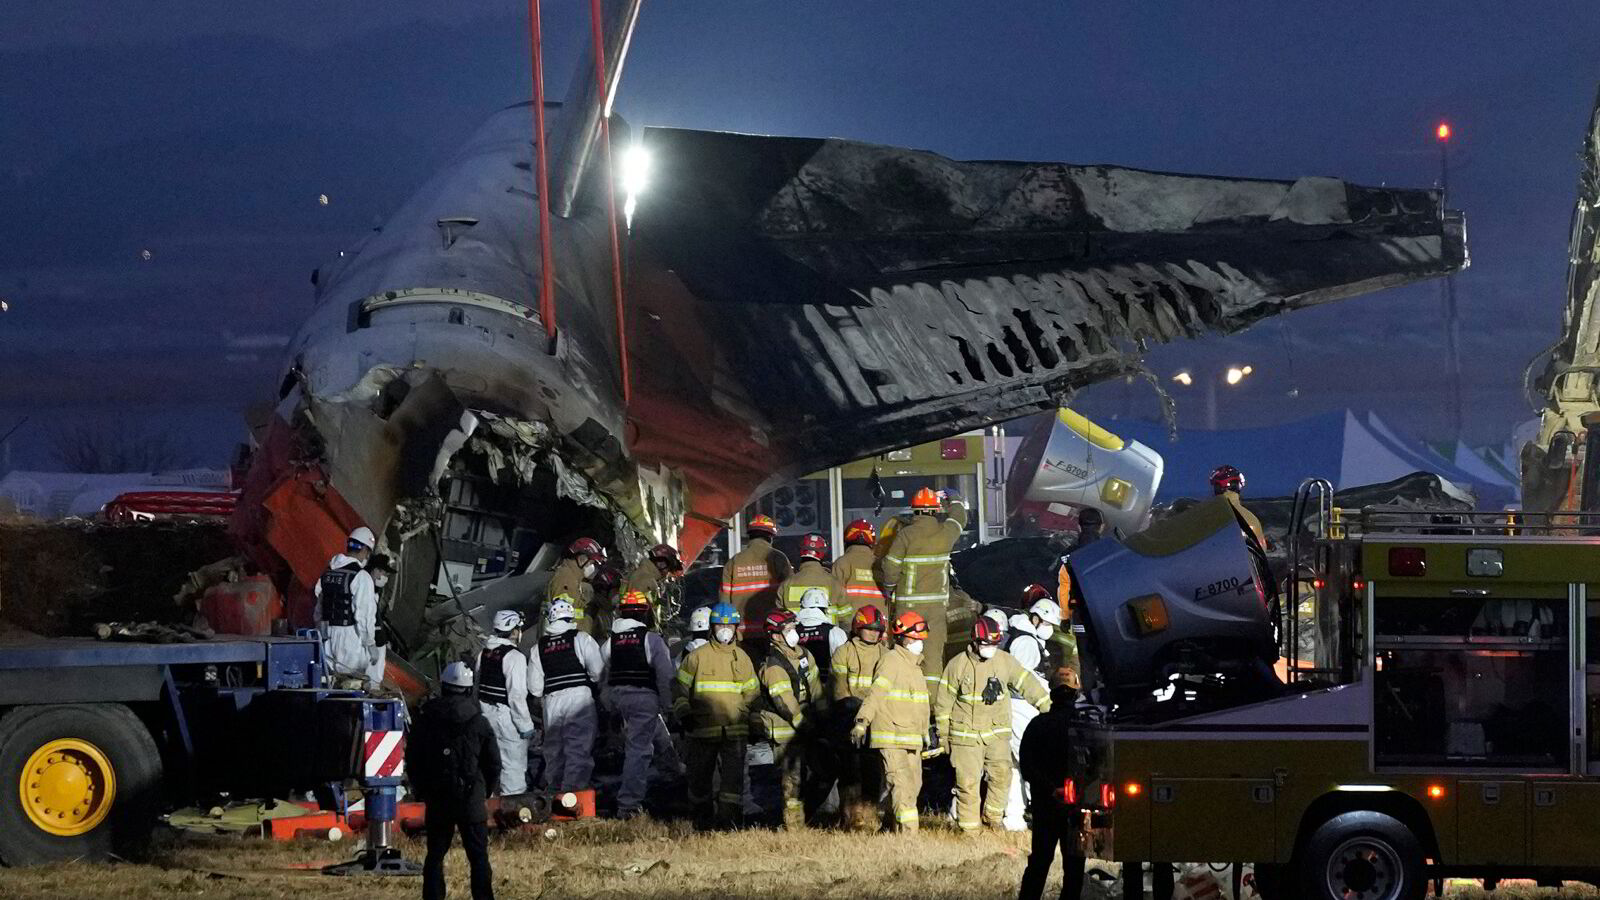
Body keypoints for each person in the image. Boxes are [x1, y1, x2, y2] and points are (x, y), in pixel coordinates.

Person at [936, 617, 1049, 833]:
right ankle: (969, 832)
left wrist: (1050, 710)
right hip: (966, 737)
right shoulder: (958, 665)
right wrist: (943, 736)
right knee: (968, 784)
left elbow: (1028, 684)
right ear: (975, 642)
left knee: (1002, 776)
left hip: (996, 734)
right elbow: (943, 702)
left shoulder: (1004, 661)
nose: (990, 649)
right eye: (986, 644)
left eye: (994, 645)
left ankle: (993, 818)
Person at [407, 661, 500, 900]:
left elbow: (414, 759)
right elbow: (493, 763)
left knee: (435, 856)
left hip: (438, 797)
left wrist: (421, 791)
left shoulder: (426, 719)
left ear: (444, 687)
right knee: (479, 857)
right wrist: (484, 791)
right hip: (470, 798)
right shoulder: (479, 722)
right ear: (469, 690)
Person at [673, 602, 759, 829]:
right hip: (702, 731)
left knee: (732, 786)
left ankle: (729, 826)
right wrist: (684, 714)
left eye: (730, 625)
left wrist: (755, 724)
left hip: (735, 733)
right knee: (699, 782)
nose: (725, 629)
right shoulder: (696, 657)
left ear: (736, 627)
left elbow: (753, 694)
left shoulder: (742, 657)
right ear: (712, 627)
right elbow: (679, 689)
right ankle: (701, 824)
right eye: (721, 624)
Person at [851, 610, 935, 832]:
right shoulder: (891, 661)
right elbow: (875, 694)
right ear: (904, 638)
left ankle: (889, 828)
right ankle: (909, 839)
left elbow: (920, 704)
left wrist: (925, 732)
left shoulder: (915, 667)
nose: (920, 644)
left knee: (913, 786)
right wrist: (862, 722)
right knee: (902, 787)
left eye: (921, 640)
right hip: (891, 737)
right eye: (916, 639)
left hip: (911, 737)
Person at [880, 487, 968, 688]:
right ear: (936, 510)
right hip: (936, 608)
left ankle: (906, 699)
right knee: (933, 657)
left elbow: (890, 566)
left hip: (908, 607)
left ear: (914, 510)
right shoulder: (945, 532)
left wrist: (889, 587)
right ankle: (931, 704)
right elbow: (959, 518)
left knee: (906, 654)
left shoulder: (906, 535)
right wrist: (953, 498)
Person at [603, 590, 676, 819]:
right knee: (639, 750)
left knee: (658, 735)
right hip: (644, 698)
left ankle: (673, 773)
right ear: (645, 613)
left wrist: (608, 707)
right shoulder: (651, 639)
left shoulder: (609, 642)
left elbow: (601, 675)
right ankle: (628, 805)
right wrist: (669, 706)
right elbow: (665, 675)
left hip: (618, 698)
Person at [752, 608, 823, 828]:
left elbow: (816, 689)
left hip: (806, 725)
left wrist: (821, 716)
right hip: (786, 730)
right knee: (792, 779)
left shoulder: (804, 655)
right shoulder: (773, 665)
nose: (795, 633)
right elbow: (785, 702)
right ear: (775, 635)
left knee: (815, 773)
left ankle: (810, 817)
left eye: (794, 628)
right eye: (789, 629)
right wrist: (805, 724)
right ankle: (793, 825)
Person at [528, 597, 604, 797]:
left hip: (551, 702)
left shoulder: (538, 648)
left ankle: (553, 794)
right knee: (578, 750)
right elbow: (598, 672)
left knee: (554, 752)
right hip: (579, 700)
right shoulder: (582, 639)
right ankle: (573, 796)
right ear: (571, 617)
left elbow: (535, 688)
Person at [1018, 679, 1086, 900]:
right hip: (1075, 808)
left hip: (1045, 805)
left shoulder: (1037, 725)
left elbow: (1027, 765)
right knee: (1074, 866)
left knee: (1039, 861)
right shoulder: (1084, 727)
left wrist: (1050, 790)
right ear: (1075, 695)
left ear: (1053, 694)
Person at [1002, 590, 1062, 830]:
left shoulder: (1026, 637)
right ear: (1035, 618)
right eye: (1046, 622)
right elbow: (1022, 680)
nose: (1049, 628)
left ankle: (1014, 818)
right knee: (1032, 761)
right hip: (1022, 708)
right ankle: (1038, 813)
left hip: (1023, 707)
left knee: (1016, 766)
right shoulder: (1026, 642)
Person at [832, 604, 888, 830]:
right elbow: (839, 690)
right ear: (857, 628)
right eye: (869, 629)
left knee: (873, 769)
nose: (874, 633)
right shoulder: (843, 652)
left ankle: (870, 816)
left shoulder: (886, 654)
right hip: (848, 719)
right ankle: (850, 818)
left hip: (877, 720)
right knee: (849, 770)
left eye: (878, 630)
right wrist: (851, 719)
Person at [476, 609, 534, 796]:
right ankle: (513, 810)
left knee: (490, 763)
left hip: (486, 715)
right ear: (514, 631)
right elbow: (516, 695)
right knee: (513, 767)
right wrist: (525, 725)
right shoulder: (514, 657)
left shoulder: (483, 653)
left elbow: (478, 685)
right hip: (506, 718)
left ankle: (489, 806)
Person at [315, 526, 382, 685]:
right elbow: (364, 615)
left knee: (328, 682)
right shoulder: (361, 576)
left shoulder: (328, 572)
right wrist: (370, 643)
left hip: (327, 639)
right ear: (365, 550)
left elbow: (318, 609)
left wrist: (321, 634)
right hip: (350, 639)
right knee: (352, 684)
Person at [721, 514, 792, 653]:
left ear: (750, 536)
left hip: (742, 634)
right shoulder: (778, 558)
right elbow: (789, 593)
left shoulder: (734, 562)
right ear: (770, 536)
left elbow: (724, 601)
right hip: (773, 631)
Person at [547, 537, 607, 634]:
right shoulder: (566, 580)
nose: (593, 567)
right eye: (592, 563)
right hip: (568, 639)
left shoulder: (573, 578)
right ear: (582, 559)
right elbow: (562, 617)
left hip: (573, 636)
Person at [795, 588, 848, 692]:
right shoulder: (835, 632)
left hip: (799, 689)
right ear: (825, 609)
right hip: (828, 689)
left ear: (802, 606)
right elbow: (845, 662)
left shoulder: (791, 632)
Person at [1210, 464, 1267, 550]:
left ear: (1217, 488)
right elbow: (1261, 554)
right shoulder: (1252, 519)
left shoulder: (1208, 517)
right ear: (1238, 486)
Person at [777, 532, 836, 612]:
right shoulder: (834, 582)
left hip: (795, 624)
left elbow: (779, 613)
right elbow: (845, 617)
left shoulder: (786, 584)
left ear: (800, 551)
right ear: (823, 554)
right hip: (828, 624)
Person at [625, 543, 684, 622]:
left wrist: (664, 609)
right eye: (668, 569)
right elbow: (637, 616)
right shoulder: (645, 579)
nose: (667, 574)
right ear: (661, 563)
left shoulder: (647, 578)